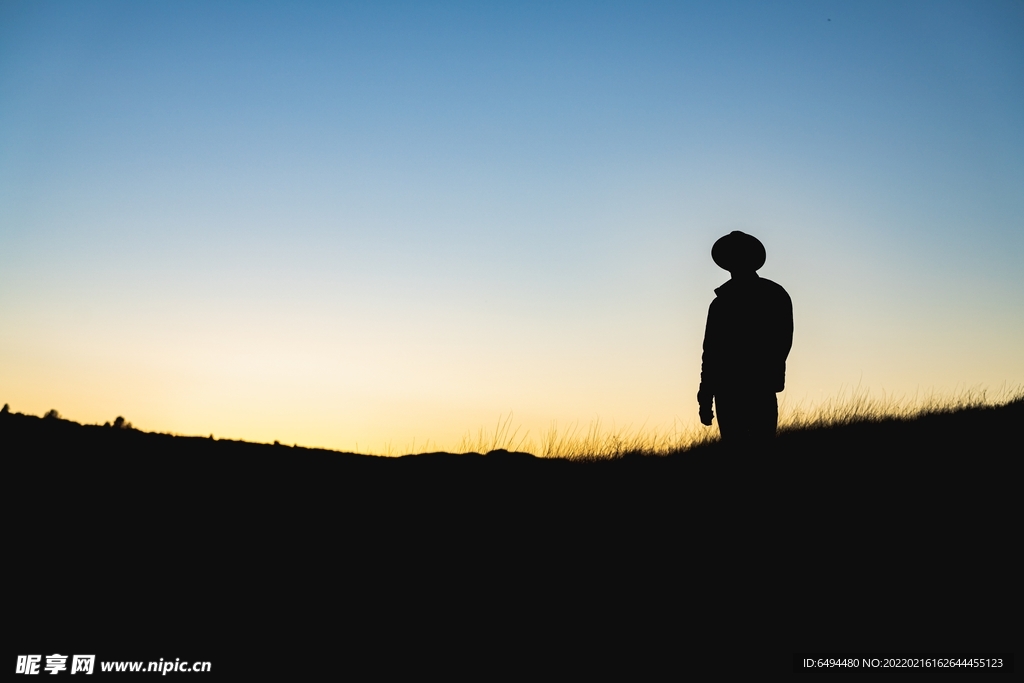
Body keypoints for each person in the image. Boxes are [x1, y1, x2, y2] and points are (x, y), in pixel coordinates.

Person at [697, 231, 793, 450]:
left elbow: (711, 353)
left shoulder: (723, 303)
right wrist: (705, 396)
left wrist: (705, 396)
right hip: (751, 389)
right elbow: (711, 353)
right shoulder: (774, 294)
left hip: (741, 390)